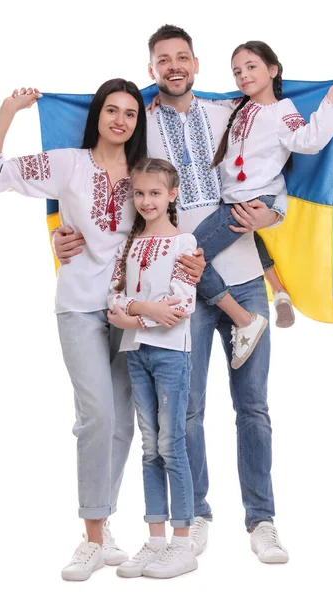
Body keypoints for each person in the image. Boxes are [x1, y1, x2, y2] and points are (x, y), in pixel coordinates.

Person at [53, 25, 291, 563]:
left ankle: (263, 520)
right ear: (152, 67)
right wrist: (63, 229)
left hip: (245, 271)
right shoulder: (138, 124)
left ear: (197, 64)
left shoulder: (226, 112)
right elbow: (102, 179)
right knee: (185, 412)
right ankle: (195, 515)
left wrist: (276, 211)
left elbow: (277, 155)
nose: (174, 66)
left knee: (253, 406)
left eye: (183, 57)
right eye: (163, 60)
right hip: (173, 286)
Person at [0, 79, 148, 581]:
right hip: (79, 306)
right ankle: (92, 538)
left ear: (138, 122)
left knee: (121, 423)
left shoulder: (143, 172)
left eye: (130, 113)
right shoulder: (67, 163)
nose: (120, 120)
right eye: (111, 110)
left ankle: (104, 522)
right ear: (96, 116)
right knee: (95, 415)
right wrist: (11, 107)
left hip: (131, 309)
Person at [192, 41, 333, 368]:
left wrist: (331, 99)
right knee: (249, 246)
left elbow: (308, 141)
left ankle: (245, 320)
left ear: (273, 70)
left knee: (189, 254)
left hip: (247, 202)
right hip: (236, 200)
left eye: (251, 66)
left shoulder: (282, 110)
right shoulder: (239, 108)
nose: (243, 75)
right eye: (237, 71)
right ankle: (279, 292)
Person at [106, 158, 198, 579]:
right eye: (139, 193)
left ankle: (183, 544)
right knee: (148, 446)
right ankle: (155, 539)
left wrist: (134, 315)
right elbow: (114, 301)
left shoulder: (184, 242)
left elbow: (181, 307)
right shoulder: (131, 242)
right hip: (136, 353)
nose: (146, 201)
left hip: (170, 355)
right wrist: (143, 312)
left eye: (155, 193)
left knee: (170, 444)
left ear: (172, 195)